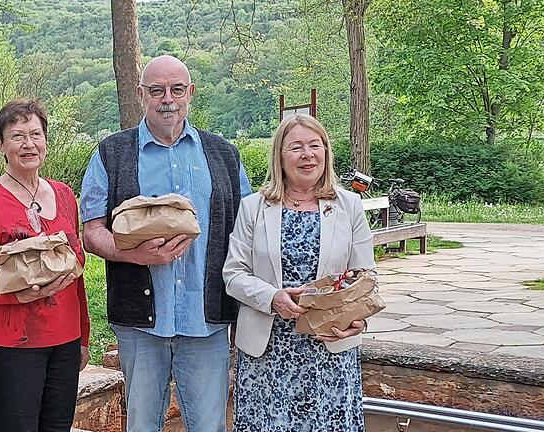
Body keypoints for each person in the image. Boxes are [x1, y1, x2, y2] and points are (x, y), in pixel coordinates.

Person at [80, 55, 252, 432]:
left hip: (206, 320)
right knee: (142, 424)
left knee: (209, 426)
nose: (167, 99)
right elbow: (91, 232)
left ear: (190, 93)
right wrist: (132, 253)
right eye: (156, 91)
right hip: (141, 325)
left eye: (176, 89)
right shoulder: (112, 153)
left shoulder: (224, 155)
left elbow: (247, 234)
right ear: (141, 94)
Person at [222, 113, 375, 431]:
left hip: (329, 347)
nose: (307, 154)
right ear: (280, 155)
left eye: (314, 145)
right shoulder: (253, 207)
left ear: (326, 152)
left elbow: (365, 278)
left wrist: (358, 319)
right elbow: (233, 274)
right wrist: (273, 297)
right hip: (269, 351)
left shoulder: (349, 206)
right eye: (296, 147)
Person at [0, 98, 90, 432]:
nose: (28, 143)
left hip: (64, 339)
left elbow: (77, 274)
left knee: (57, 427)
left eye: (36, 134)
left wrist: (83, 337)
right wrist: (17, 296)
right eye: (18, 135)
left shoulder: (63, 195)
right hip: (12, 344)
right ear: (1, 144)